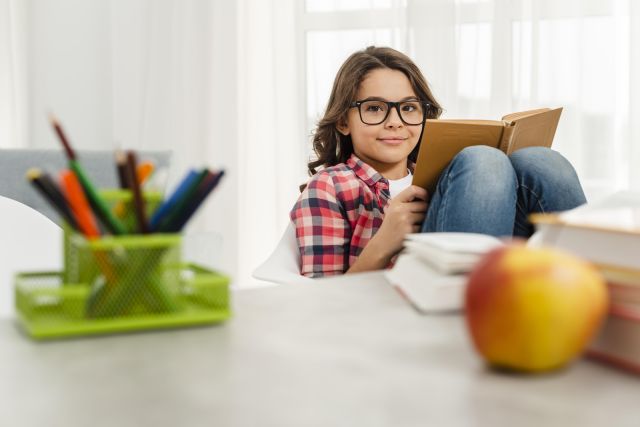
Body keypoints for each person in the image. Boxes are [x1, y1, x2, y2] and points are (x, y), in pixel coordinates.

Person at [290, 46, 586, 278]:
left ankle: (600, 297)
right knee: (483, 160)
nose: (395, 122)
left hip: (497, 279)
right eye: (375, 108)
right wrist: (383, 244)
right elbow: (324, 304)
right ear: (343, 120)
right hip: (404, 308)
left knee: (540, 161)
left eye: (408, 108)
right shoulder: (329, 187)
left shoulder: (443, 178)